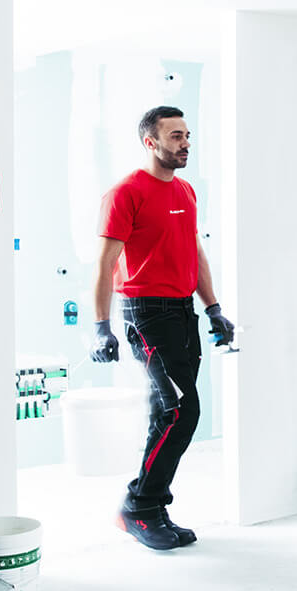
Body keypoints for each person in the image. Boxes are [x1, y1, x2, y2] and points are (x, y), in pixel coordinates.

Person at [91, 107, 235, 551]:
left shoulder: (186, 191)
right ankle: (138, 506)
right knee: (180, 410)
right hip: (145, 314)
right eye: (175, 136)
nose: (186, 143)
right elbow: (106, 263)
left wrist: (213, 308)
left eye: (187, 135)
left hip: (182, 311)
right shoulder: (125, 193)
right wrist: (100, 326)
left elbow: (195, 253)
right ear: (150, 142)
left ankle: (150, 507)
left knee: (169, 411)